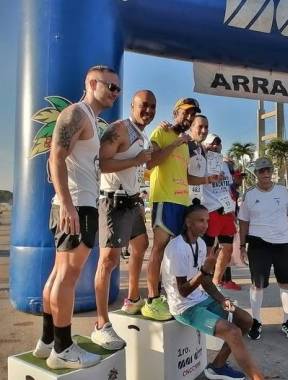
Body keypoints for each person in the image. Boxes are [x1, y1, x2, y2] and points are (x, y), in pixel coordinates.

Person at [33, 65, 120, 369]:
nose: (114, 93)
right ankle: (63, 347)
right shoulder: (77, 114)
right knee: (68, 277)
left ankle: (46, 341)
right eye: (110, 86)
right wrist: (69, 205)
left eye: (117, 88)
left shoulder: (91, 120)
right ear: (92, 83)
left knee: (59, 274)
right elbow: (54, 156)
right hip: (77, 206)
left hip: (79, 204)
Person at [162, 200, 265, 380]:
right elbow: (183, 291)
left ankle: (217, 366)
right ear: (188, 223)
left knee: (246, 320)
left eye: (207, 221)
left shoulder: (201, 244)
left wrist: (221, 299)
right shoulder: (176, 248)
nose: (206, 225)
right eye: (201, 221)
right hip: (185, 307)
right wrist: (204, 270)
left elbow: (206, 281)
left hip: (202, 299)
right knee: (232, 332)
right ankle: (258, 377)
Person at [142, 98, 220, 321]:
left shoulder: (186, 144)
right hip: (163, 200)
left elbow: (185, 177)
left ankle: (169, 294)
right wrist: (175, 143)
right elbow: (151, 162)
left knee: (172, 251)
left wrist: (207, 178)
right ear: (175, 112)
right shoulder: (162, 133)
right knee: (159, 248)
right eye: (185, 113)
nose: (188, 117)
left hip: (181, 203)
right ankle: (152, 298)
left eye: (192, 114)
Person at [91, 90, 156, 349]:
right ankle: (100, 323)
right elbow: (101, 164)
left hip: (132, 201)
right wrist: (137, 159)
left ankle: (132, 299)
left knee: (141, 246)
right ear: (132, 105)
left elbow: (139, 168)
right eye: (143, 105)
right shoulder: (120, 130)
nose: (148, 110)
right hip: (112, 202)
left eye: (152, 106)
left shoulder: (142, 135)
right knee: (108, 261)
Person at [239, 157, 288, 341]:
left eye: (268, 170)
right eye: (261, 171)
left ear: (272, 171)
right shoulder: (249, 195)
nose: (265, 174)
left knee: (286, 283)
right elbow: (243, 222)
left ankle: (287, 320)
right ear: (256, 174)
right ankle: (256, 321)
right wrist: (242, 246)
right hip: (258, 244)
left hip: (283, 243)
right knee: (257, 285)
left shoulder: (283, 192)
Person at [203, 133, 241, 291]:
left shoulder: (225, 164)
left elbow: (228, 187)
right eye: (211, 143)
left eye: (218, 143)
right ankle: (202, 282)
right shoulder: (201, 162)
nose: (215, 146)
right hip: (210, 210)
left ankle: (216, 281)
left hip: (226, 210)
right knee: (207, 250)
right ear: (205, 145)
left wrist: (232, 209)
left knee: (228, 248)